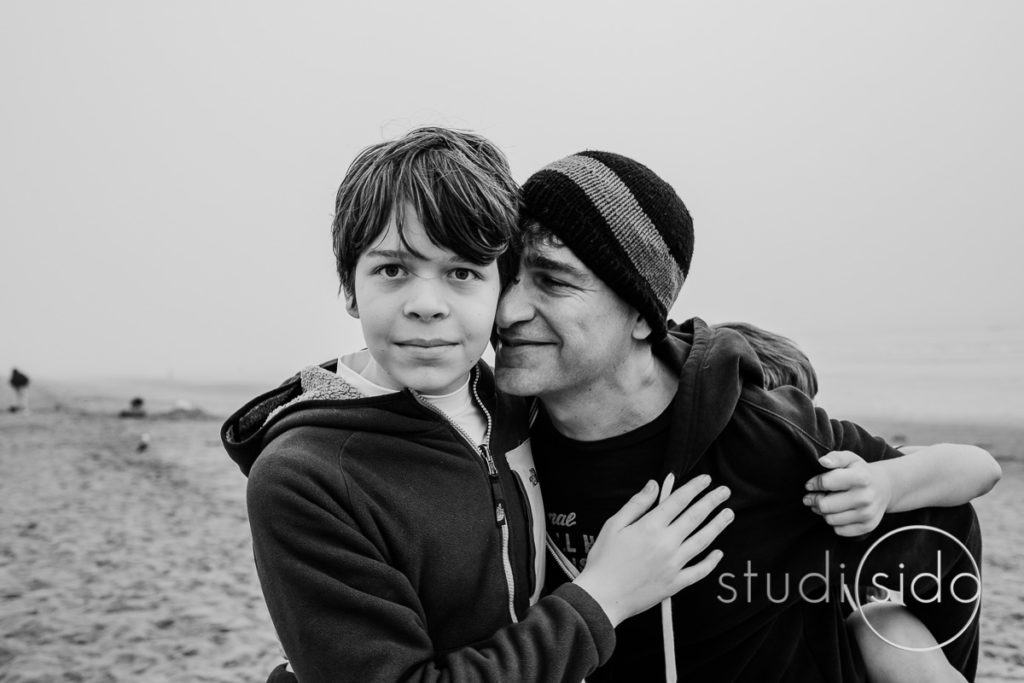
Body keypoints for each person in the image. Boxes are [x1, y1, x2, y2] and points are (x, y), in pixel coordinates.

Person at [221, 128, 733, 682]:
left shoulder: (514, 404)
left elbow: (636, 355)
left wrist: (833, 456)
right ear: (349, 287)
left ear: (500, 288)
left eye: (462, 273)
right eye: (392, 269)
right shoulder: (304, 476)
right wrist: (601, 600)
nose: (425, 305)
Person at [495, 150, 1001, 682]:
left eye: (554, 281)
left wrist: (885, 488)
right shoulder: (491, 431)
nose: (507, 312)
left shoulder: (762, 437)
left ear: (643, 315)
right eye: (506, 277)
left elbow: (954, 520)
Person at [719, 320, 982, 682]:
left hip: (845, 641)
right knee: (884, 626)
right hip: (822, 651)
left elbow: (978, 466)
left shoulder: (837, 477)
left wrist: (885, 483)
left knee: (883, 625)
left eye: (810, 411)